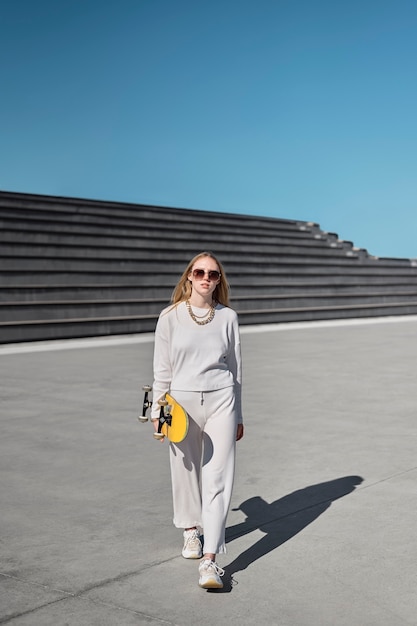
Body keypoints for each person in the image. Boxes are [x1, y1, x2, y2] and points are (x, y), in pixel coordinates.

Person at [150, 251, 244, 589]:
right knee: (185, 470)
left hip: (222, 401)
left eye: (214, 274)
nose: (206, 278)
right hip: (181, 404)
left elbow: (235, 370)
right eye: (200, 272)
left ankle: (210, 561)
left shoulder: (228, 318)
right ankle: (191, 530)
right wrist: (157, 411)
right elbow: (162, 369)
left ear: (220, 281)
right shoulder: (170, 317)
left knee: (219, 477)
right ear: (189, 276)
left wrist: (239, 414)